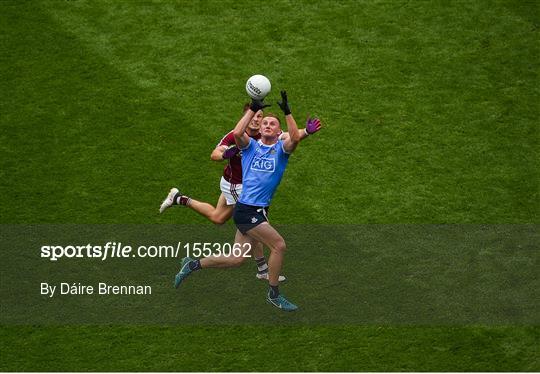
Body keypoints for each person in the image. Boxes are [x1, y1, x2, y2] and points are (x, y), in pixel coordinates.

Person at [174, 91, 305, 312]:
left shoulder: (278, 150)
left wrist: (289, 114)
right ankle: (273, 294)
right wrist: (253, 107)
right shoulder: (251, 146)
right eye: (264, 122)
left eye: (272, 123)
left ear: (277, 130)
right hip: (247, 210)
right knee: (279, 245)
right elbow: (236, 133)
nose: (267, 124)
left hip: (258, 209)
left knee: (236, 259)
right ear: (259, 129)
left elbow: (295, 137)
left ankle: (192, 264)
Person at [159, 104, 321, 282]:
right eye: (255, 116)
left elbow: (291, 137)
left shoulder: (266, 134)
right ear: (246, 117)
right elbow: (215, 154)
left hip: (244, 187)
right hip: (236, 186)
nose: (258, 120)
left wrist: (306, 130)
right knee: (256, 226)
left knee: (218, 218)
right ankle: (262, 269)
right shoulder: (235, 135)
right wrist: (226, 154)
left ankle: (179, 199)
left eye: (260, 117)